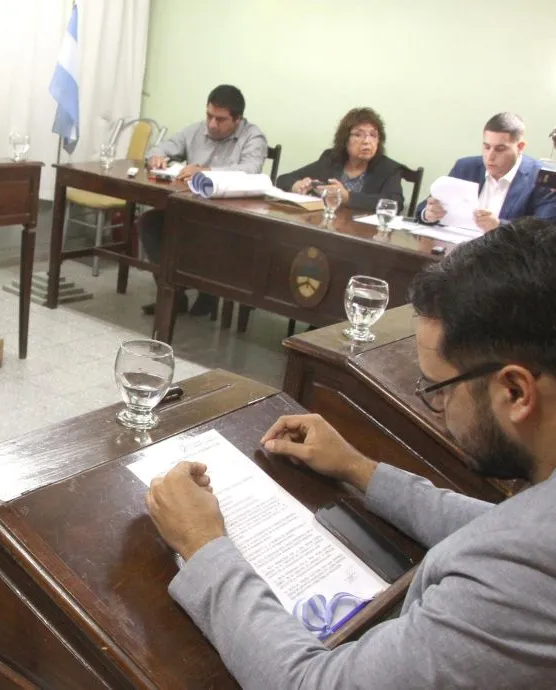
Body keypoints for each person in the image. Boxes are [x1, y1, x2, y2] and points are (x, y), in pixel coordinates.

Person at [146, 216, 556, 689]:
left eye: (440, 389)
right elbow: (498, 525)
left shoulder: (521, 574)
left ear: (515, 391)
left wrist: (203, 545)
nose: (440, 410)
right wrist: (358, 469)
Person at [140, 85, 268, 317]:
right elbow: (160, 148)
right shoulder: (197, 130)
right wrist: (157, 158)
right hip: (190, 209)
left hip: (228, 218)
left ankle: (208, 293)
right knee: (149, 222)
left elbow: (250, 170)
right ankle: (173, 294)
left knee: (207, 233)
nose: (212, 124)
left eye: (221, 119)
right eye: (209, 116)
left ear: (238, 119)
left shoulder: (253, 136)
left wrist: (207, 171)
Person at [418, 112, 556, 232]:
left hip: (506, 253)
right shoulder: (466, 167)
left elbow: (544, 231)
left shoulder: (542, 177)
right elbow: (423, 209)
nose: (490, 156)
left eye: (500, 149)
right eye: (487, 147)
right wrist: (428, 214)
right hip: (456, 248)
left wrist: (498, 227)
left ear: (520, 147)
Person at [276, 107, 404, 212]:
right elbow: (283, 179)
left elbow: (395, 204)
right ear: (345, 139)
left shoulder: (388, 169)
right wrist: (296, 186)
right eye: (358, 134)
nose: (367, 141)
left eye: (373, 135)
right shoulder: (332, 159)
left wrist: (348, 197)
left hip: (364, 232)